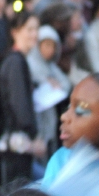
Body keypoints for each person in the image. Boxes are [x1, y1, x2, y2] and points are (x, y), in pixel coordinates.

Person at [0, 12, 43, 186]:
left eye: (37, 29)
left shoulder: (14, 60)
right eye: (29, 29)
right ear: (15, 32)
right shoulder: (16, 62)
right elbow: (19, 102)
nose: (35, 34)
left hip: (17, 140)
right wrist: (33, 136)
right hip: (19, 142)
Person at [27, 24, 70, 157]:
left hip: (49, 118)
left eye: (53, 46)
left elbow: (65, 84)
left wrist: (55, 85)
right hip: (37, 118)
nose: (50, 50)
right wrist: (48, 84)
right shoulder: (30, 62)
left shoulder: (51, 66)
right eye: (46, 45)